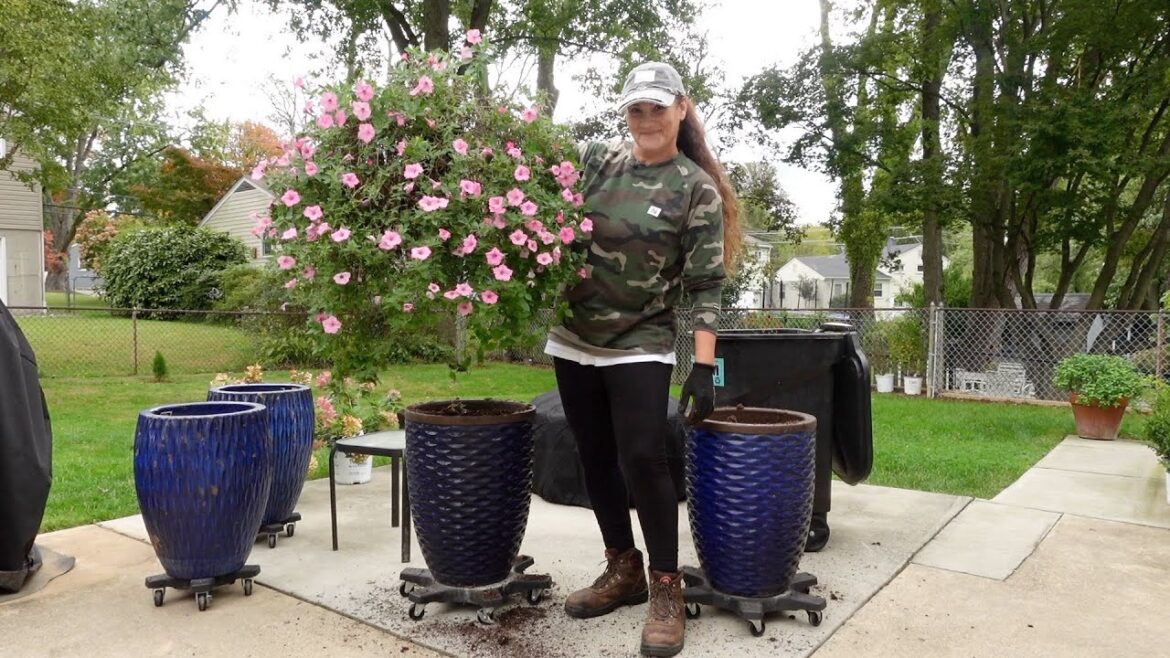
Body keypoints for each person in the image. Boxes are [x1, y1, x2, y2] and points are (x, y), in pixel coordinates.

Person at [544, 61, 741, 657]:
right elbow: (537, 205)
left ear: (682, 108)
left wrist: (704, 369)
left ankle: (665, 585)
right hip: (573, 338)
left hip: (642, 340)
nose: (647, 118)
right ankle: (621, 566)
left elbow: (707, 287)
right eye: (637, 108)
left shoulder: (694, 189)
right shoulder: (597, 163)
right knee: (594, 454)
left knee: (642, 457)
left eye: (658, 107)